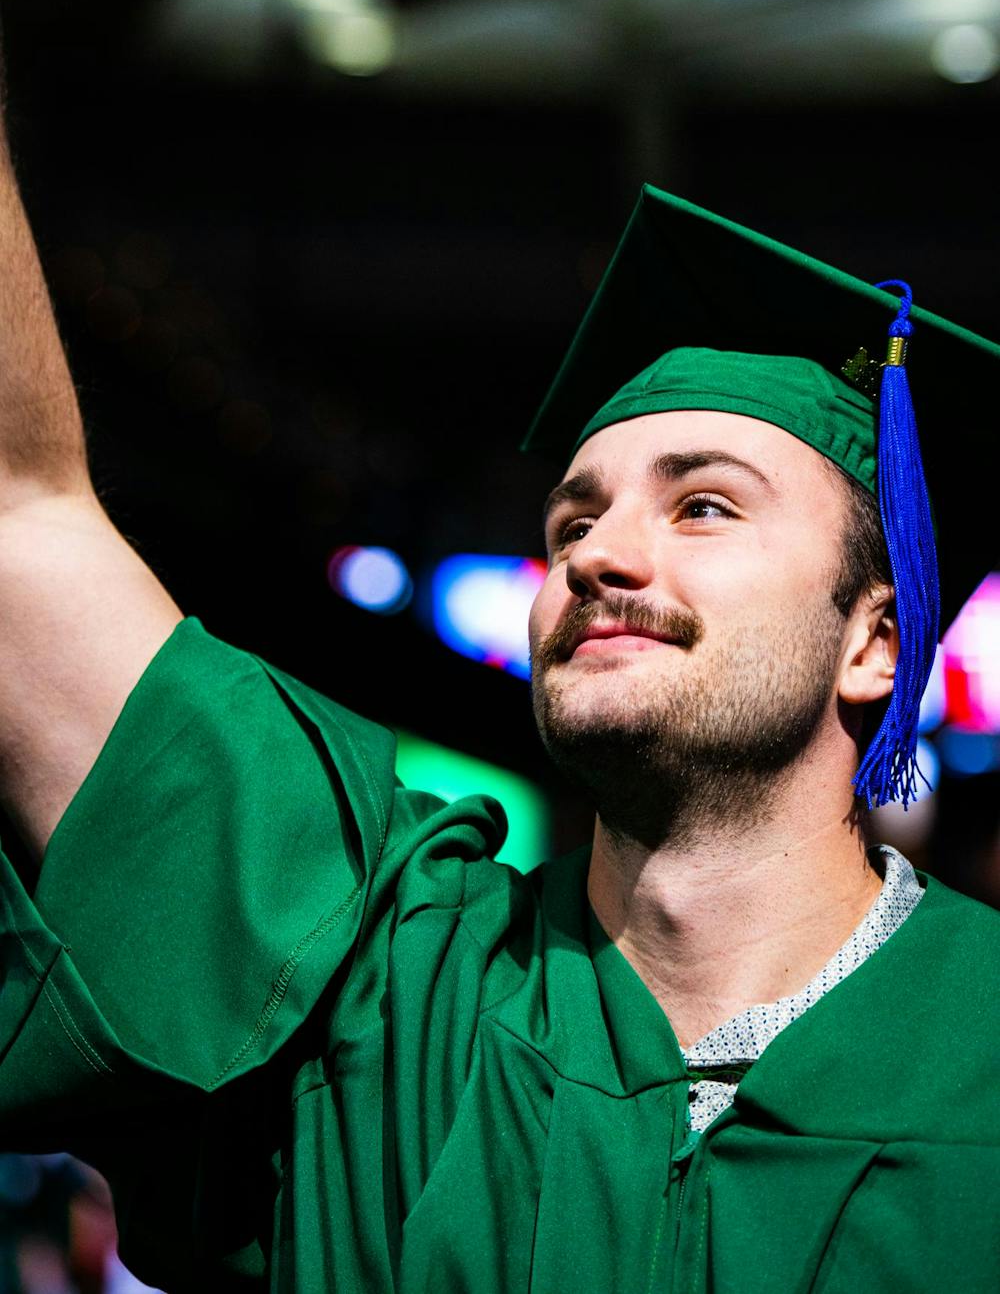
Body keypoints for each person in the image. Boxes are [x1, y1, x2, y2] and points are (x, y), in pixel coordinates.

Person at [0, 94, 996, 1294]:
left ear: (874, 644)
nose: (596, 555)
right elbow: (21, 519)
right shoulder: (379, 990)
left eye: (704, 506)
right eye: (574, 518)